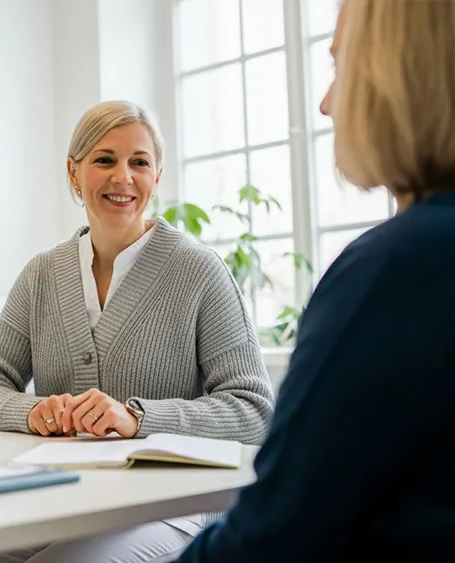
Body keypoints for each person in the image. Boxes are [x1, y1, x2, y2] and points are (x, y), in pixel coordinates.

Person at [174, 1, 455, 561]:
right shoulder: (45, 273)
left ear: (397, 78)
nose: (325, 104)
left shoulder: (390, 271)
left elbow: (271, 538)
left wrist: (135, 415)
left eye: (339, 65)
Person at [0, 100, 275, 562]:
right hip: (64, 497)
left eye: (139, 163)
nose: (122, 177)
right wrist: (35, 412)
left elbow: (254, 411)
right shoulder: (41, 275)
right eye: (104, 160)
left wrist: (138, 418)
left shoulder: (200, 271)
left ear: (157, 176)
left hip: (171, 505)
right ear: (74, 172)